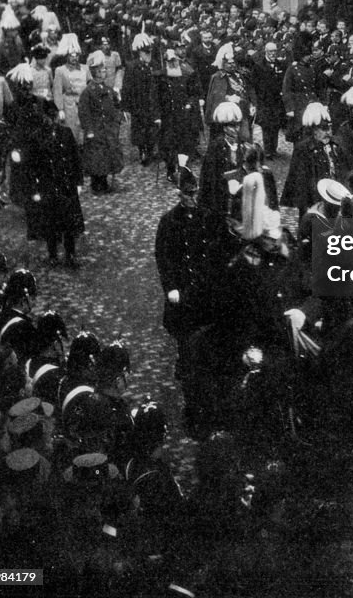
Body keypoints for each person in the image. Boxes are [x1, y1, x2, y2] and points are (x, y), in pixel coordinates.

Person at [154, 165, 217, 431]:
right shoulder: (169, 221)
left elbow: (214, 251)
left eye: (195, 193)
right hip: (181, 287)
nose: (192, 198)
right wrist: (170, 287)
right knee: (183, 330)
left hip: (201, 287)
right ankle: (184, 358)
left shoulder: (208, 217)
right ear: (180, 194)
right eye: (188, 194)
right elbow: (164, 258)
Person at [21, 100, 84, 268]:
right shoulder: (36, 137)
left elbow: (75, 158)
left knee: (69, 223)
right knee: (50, 222)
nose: (50, 120)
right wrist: (35, 187)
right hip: (47, 184)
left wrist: (78, 181)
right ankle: (53, 254)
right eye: (47, 117)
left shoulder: (66, 133)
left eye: (52, 117)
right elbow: (31, 165)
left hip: (66, 184)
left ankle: (70, 254)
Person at [280, 102, 338, 219]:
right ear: (314, 130)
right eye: (323, 128)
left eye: (329, 127)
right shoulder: (303, 149)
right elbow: (299, 182)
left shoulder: (335, 145)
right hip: (314, 201)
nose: (328, 132)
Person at [78, 50, 124, 195]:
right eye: (101, 70)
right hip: (96, 129)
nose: (104, 72)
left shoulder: (108, 90)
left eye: (104, 70)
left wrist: (117, 120)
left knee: (106, 156)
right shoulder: (88, 92)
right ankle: (96, 183)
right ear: (95, 72)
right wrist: (89, 130)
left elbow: (115, 107)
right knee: (96, 158)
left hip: (107, 129)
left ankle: (103, 180)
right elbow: (84, 113)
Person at [157, 48, 202, 184]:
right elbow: (155, 97)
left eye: (174, 60)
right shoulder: (161, 76)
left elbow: (194, 93)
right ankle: (171, 171)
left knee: (184, 144)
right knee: (169, 144)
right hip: (168, 116)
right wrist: (157, 116)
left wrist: (190, 104)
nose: (172, 63)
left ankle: (183, 170)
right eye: (169, 61)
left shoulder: (187, 74)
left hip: (183, 116)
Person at [121, 32, 161, 166]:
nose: (148, 54)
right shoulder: (132, 66)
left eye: (149, 52)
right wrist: (125, 107)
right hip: (138, 103)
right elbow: (126, 87)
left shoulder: (154, 64)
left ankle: (150, 149)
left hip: (152, 102)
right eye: (145, 52)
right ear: (139, 52)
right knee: (140, 129)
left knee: (152, 128)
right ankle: (142, 151)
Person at [52, 34, 90, 146]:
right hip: (69, 106)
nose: (74, 58)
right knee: (72, 134)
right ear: (67, 56)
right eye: (71, 55)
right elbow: (57, 91)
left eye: (76, 55)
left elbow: (90, 86)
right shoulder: (60, 70)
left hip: (83, 104)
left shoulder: (85, 69)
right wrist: (60, 109)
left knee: (86, 133)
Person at [251, 40, 285, 159]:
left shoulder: (281, 65)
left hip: (277, 101)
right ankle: (268, 151)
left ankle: (274, 149)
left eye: (275, 51)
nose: (273, 53)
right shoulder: (259, 66)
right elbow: (254, 85)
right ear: (266, 51)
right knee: (266, 126)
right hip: (265, 101)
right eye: (270, 51)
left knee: (276, 125)